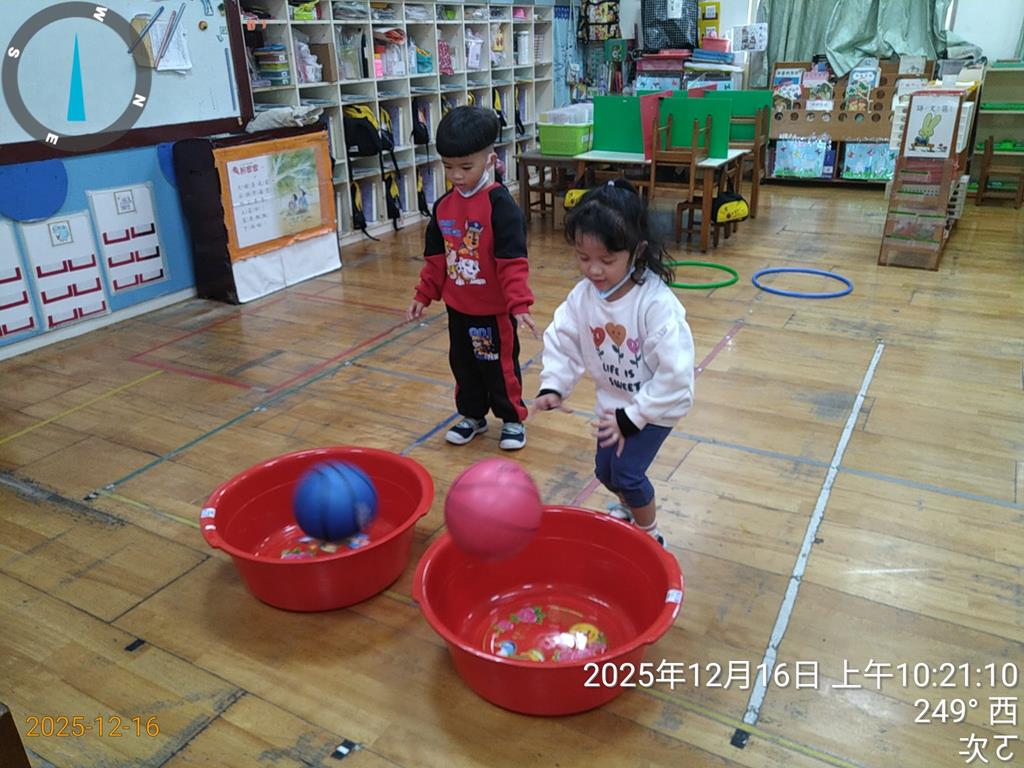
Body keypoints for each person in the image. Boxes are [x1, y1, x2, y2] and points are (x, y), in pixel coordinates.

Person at [533, 180, 694, 546]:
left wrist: (633, 416)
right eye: (583, 258)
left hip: (655, 406)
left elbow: (675, 375)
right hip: (614, 404)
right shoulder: (583, 297)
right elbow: (562, 338)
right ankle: (628, 507)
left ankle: (650, 536)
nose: (593, 270)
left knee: (627, 473)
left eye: (606, 261)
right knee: (605, 472)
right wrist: (553, 384)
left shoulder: (655, 304)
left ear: (637, 251)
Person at [407, 106, 536, 450]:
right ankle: (472, 416)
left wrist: (519, 304)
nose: (456, 175)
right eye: (448, 167)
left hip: (493, 313)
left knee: (498, 366)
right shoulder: (443, 207)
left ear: (490, 160)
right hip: (458, 310)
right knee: (463, 366)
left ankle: (512, 419)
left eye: (466, 167)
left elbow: (512, 262)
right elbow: (436, 260)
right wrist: (423, 294)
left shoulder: (500, 206)